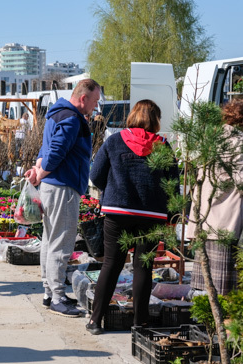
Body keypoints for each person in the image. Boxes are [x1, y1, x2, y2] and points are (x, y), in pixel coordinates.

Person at [86, 99, 179, 334]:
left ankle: (95, 321)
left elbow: (96, 176)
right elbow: (173, 185)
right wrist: (171, 215)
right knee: (143, 268)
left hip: (118, 212)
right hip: (152, 215)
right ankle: (140, 323)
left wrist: (114, 189)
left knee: (111, 264)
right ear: (156, 120)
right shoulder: (163, 145)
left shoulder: (114, 141)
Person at [25, 79, 101, 317]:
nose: (96, 106)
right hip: (63, 188)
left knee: (49, 240)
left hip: (51, 186)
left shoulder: (55, 114)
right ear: (83, 98)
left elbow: (44, 149)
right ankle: (58, 296)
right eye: (95, 100)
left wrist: (38, 170)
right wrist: (41, 172)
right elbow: (56, 151)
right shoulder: (71, 118)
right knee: (61, 242)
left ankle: (49, 292)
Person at [188, 100, 243, 296]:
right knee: (226, 291)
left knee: (208, 286)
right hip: (227, 221)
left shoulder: (210, 138)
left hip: (205, 218)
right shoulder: (239, 142)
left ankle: (210, 324)